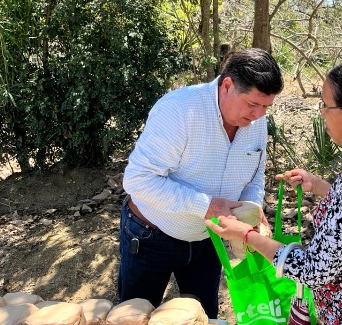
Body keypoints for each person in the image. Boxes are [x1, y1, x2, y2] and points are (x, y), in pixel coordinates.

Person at [207, 56, 342, 325]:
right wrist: (319, 186)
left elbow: (312, 270)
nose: (322, 114)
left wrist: (246, 235)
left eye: (326, 105)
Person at [118, 48, 284, 319]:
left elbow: (254, 175)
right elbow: (138, 179)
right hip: (152, 234)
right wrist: (207, 206)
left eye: (266, 107)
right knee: (134, 317)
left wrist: (251, 210)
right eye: (252, 104)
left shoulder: (257, 120)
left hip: (208, 239)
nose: (258, 115)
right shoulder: (179, 110)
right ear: (227, 85)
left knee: (203, 317)